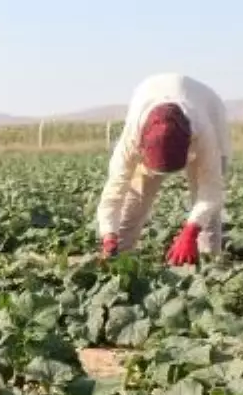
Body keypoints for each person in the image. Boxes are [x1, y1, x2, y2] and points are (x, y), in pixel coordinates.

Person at [95, 73, 230, 266]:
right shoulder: (132, 137)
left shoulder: (205, 130)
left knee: (208, 214)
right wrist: (109, 236)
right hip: (150, 107)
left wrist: (191, 231)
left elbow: (212, 191)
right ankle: (117, 258)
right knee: (135, 198)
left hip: (209, 112)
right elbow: (113, 193)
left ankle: (209, 264)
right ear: (142, 147)